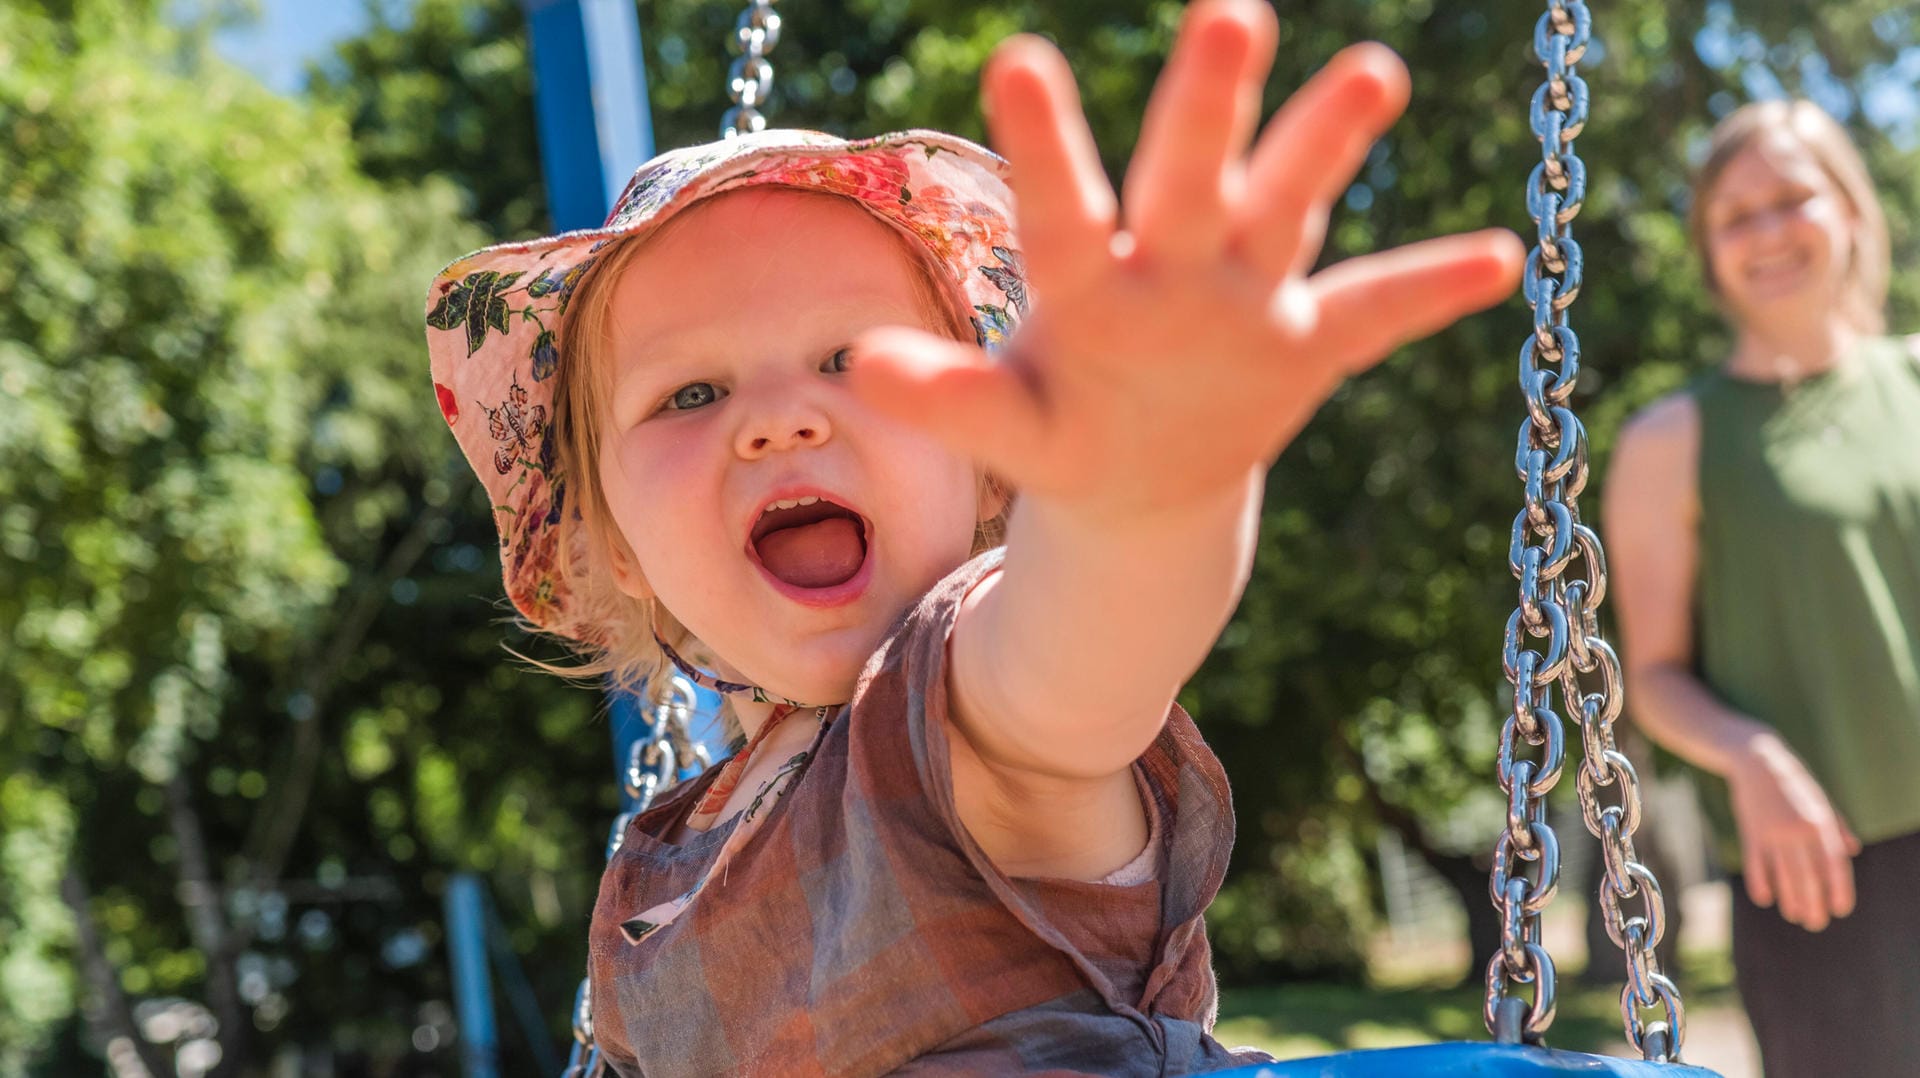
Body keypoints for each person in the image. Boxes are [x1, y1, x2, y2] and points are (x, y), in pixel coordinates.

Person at [425, 2, 1519, 1073]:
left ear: (989, 465)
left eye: (852, 359)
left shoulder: (954, 710)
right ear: (616, 543)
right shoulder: (652, 875)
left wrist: (1145, 492)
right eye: (692, 391)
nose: (776, 417)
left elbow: (1086, 643)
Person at [1605, 99, 1920, 1077]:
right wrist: (1751, 757)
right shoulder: (1671, 443)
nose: (1770, 231)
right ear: (1706, 250)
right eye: (1736, 216)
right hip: (1817, 881)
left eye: (1793, 198)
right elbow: (1650, 675)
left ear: (1853, 211)